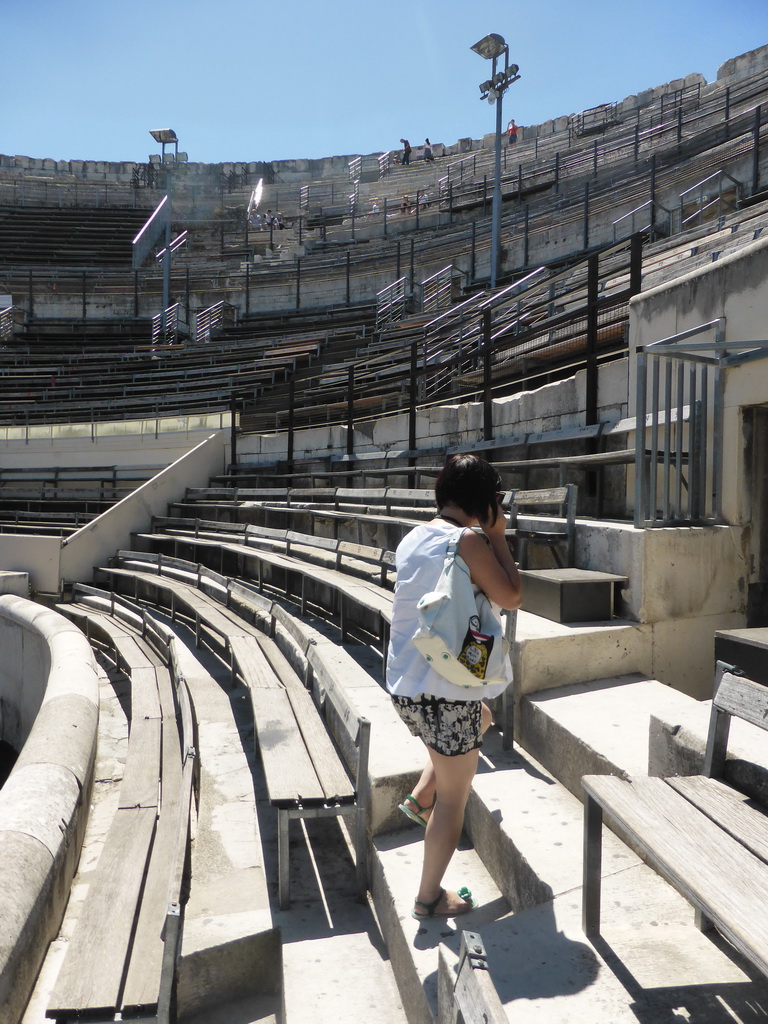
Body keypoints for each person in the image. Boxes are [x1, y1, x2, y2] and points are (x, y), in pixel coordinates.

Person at [386, 454, 522, 919]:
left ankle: (420, 796)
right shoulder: (467, 540)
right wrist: (498, 536)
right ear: (484, 504)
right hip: (448, 690)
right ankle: (429, 898)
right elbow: (511, 595)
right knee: (455, 801)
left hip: (407, 687)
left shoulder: (412, 539)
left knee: (477, 719)